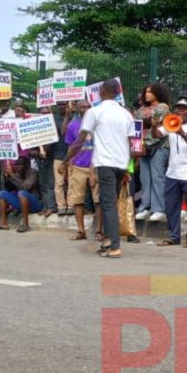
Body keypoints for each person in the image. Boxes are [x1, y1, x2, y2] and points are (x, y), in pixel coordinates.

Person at [67, 78, 134, 258]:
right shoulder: (127, 114)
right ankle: (106, 238)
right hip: (121, 163)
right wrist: (128, 168)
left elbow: (79, 142)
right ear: (119, 92)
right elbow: (130, 143)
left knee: (108, 203)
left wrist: (67, 160)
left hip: (106, 163)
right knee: (107, 202)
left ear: (102, 91)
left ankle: (114, 246)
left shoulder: (94, 112)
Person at [154, 96, 187, 248]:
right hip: (172, 173)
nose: (180, 111)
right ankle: (173, 236)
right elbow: (157, 135)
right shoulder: (171, 123)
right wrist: (153, 126)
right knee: (171, 207)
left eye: (183, 108)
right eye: (178, 108)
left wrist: (182, 133)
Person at [59, 100, 103, 241]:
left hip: (96, 166)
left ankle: (99, 231)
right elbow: (71, 146)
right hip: (78, 166)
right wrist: (67, 164)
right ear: (77, 109)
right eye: (83, 107)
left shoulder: (99, 124)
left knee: (98, 200)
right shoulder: (73, 125)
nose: (86, 109)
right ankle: (81, 231)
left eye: (88, 106)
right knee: (77, 200)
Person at [134, 83, 170, 222]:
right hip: (144, 147)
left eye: (150, 92)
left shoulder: (162, 107)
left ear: (157, 93)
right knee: (145, 178)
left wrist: (138, 120)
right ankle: (145, 208)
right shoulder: (141, 108)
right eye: (146, 92)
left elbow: (152, 123)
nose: (147, 94)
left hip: (159, 146)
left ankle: (159, 209)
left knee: (157, 177)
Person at [0, 157, 43, 232]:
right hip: (22, 203)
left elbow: (25, 187)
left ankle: (25, 225)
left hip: (35, 204)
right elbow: (9, 188)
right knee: (2, 193)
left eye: (19, 165)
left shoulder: (33, 172)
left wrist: (12, 175)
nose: (17, 167)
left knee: (22, 193)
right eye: (16, 165)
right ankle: (4, 223)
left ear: (27, 165)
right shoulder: (18, 174)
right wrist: (7, 177)